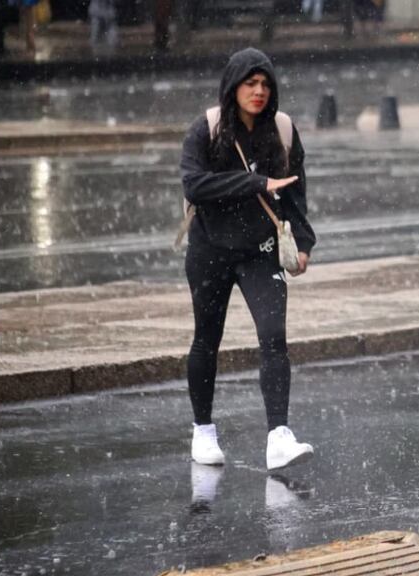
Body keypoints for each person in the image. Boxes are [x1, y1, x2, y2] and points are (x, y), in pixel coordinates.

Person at [180, 48, 317, 471]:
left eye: (265, 85)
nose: (258, 92)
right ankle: (203, 430)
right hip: (211, 249)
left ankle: (278, 435)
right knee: (208, 337)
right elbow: (195, 185)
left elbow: (294, 191)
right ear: (233, 86)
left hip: (260, 251)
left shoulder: (282, 129)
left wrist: (304, 242)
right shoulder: (207, 128)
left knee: (274, 336)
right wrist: (256, 181)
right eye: (250, 84)